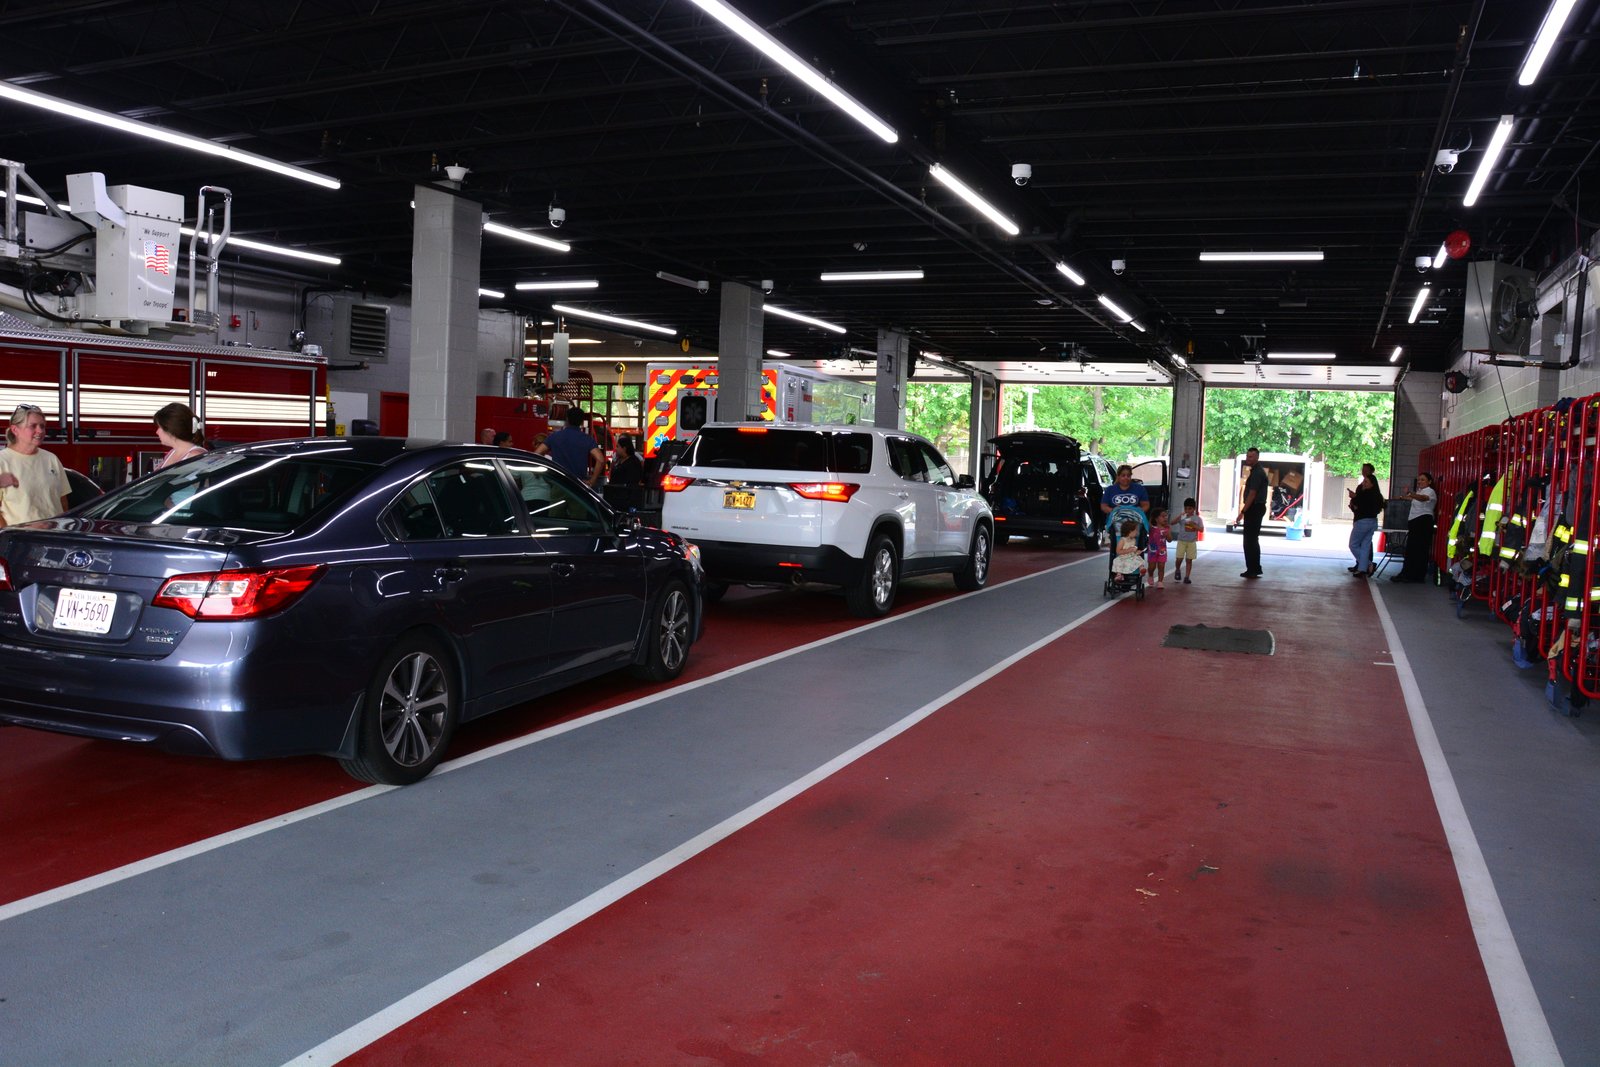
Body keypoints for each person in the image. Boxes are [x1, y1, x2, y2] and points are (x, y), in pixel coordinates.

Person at [0, 403, 72, 526]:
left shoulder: (51, 459)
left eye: (42, 426)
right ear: (15, 430)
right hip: (20, 540)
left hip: (54, 536)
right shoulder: (3, 461)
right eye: (33, 426)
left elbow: (62, 501)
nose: (40, 430)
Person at [536, 407, 604, 487]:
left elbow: (537, 453)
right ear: (582, 422)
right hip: (578, 486)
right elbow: (600, 460)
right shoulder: (587, 439)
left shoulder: (554, 437)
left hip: (558, 483)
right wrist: (592, 481)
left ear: (567, 419)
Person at [1391, 472, 1437, 584]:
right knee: (1412, 549)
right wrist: (1402, 497)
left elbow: (1423, 498)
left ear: (1429, 482)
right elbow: (1414, 499)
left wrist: (1410, 493)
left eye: (1423, 480)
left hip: (1423, 522)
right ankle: (1409, 574)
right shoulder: (1419, 492)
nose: (1420, 482)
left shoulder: (1430, 491)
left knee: (1419, 550)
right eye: (1419, 480)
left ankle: (1415, 575)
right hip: (1416, 522)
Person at [1346, 462, 1385, 578]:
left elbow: (1359, 505)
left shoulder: (1365, 494)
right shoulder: (1377, 495)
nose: (1364, 482)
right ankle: (1362, 569)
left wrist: (1355, 498)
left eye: (1366, 482)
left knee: (1353, 545)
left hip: (1362, 521)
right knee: (1365, 546)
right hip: (1373, 522)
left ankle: (1368, 564)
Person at [1235, 447, 1268, 578]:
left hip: (1254, 508)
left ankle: (1253, 568)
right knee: (1251, 540)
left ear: (1257, 458)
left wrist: (1243, 511)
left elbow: (1252, 494)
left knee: (1250, 540)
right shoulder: (1255, 471)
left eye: (1251, 457)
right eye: (1247, 456)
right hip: (1255, 508)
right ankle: (1254, 568)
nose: (1248, 459)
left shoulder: (1257, 473)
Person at [153, 402, 208, 470]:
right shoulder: (172, 452)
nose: (157, 432)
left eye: (159, 427)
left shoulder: (195, 456)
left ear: (171, 430)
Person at [1171, 497, 1204, 584]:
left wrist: (1193, 525)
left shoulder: (1197, 519)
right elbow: (1172, 522)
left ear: (1193, 509)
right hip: (1181, 541)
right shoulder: (1183, 517)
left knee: (1189, 560)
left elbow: (1201, 529)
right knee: (1179, 558)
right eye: (1186, 508)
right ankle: (1177, 569)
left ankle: (1187, 577)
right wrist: (1180, 516)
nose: (1187, 510)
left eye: (1189, 508)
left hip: (1192, 542)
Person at [1146, 507, 1169, 587]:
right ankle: (1151, 575)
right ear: (1156, 519)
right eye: (1163, 516)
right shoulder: (1152, 528)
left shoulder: (1167, 528)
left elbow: (1170, 539)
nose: (1165, 518)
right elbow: (1147, 525)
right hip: (1152, 550)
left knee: (1161, 566)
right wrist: (1151, 518)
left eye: (1166, 516)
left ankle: (1160, 581)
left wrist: (1168, 534)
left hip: (1162, 551)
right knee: (1151, 567)